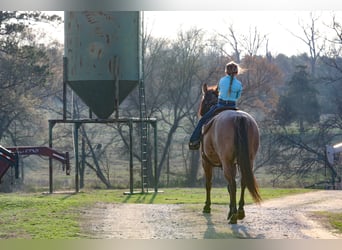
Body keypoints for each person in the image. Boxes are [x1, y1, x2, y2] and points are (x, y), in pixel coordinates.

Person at [188, 61, 243, 150]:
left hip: (220, 105)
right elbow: (237, 96)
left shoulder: (222, 81)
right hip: (233, 107)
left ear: (226, 72)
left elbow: (219, 91)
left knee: (202, 120)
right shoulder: (239, 84)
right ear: (237, 72)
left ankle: (194, 140)